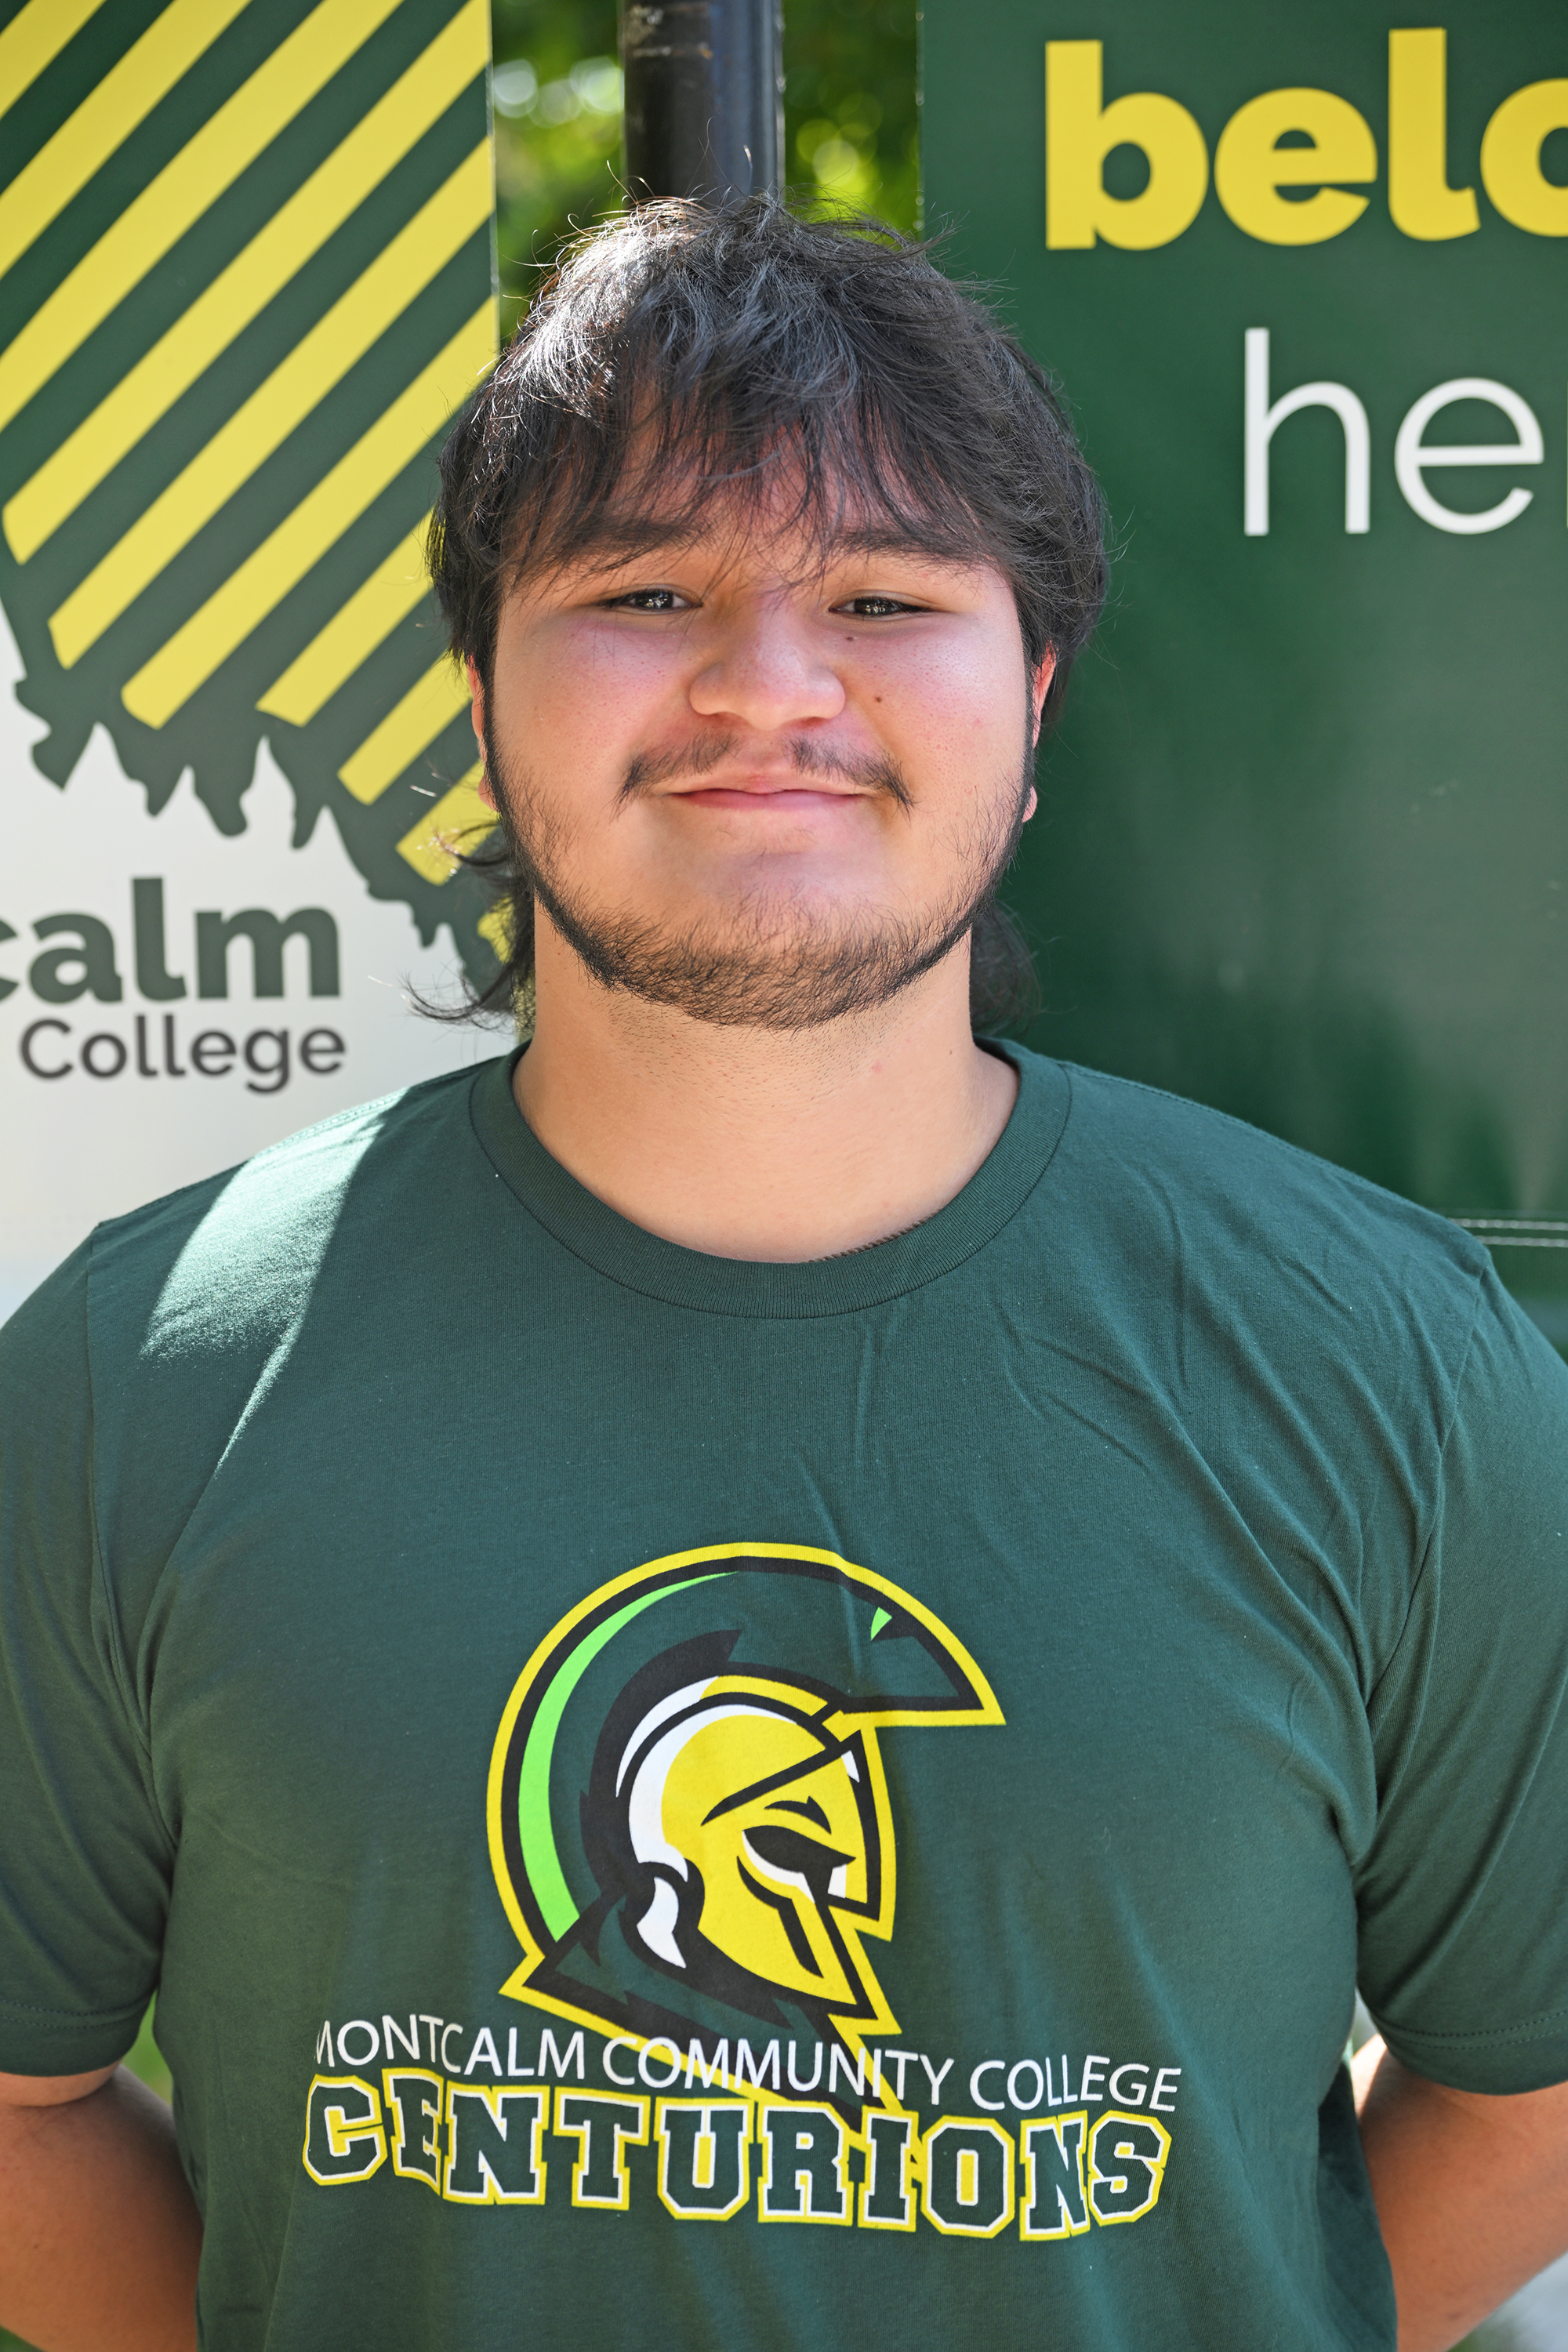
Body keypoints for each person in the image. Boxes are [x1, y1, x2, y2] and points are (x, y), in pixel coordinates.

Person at [2, 198, 1567, 2352]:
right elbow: (18, 2109)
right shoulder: (140, 1370)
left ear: (1029, 698)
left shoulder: (1391, 1361)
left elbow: (1536, 2080)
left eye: (881, 593)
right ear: (479, 695)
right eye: (644, 589)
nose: (767, 684)